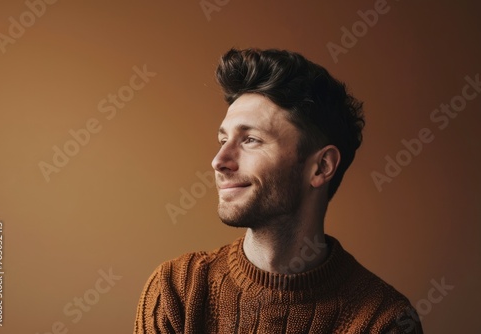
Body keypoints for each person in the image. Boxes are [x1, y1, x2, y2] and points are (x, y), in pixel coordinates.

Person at [134, 48, 423, 333]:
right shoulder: (177, 291)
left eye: (250, 140)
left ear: (321, 167)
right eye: (223, 140)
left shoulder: (384, 321)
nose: (219, 161)